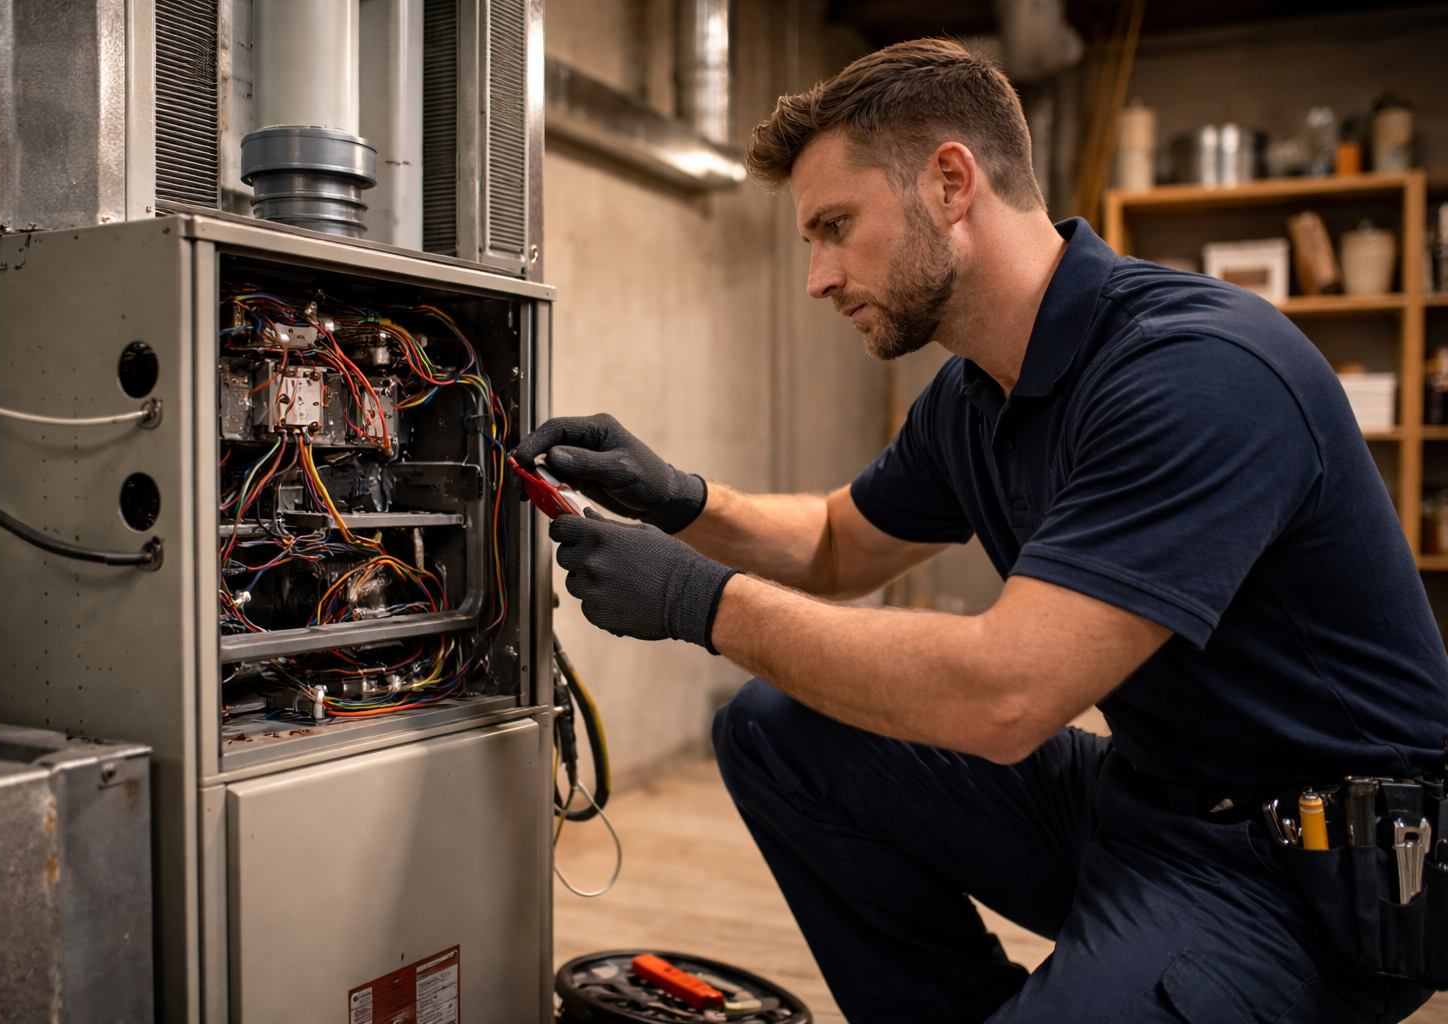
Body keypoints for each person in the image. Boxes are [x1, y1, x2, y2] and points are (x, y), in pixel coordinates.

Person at [514, 38, 1448, 1024]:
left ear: (950, 182)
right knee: (772, 730)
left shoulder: (1195, 372)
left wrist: (701, 602)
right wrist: (681, 499)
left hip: (1315, 873)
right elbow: (840, 540)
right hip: (1148, 804)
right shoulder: (975, 392)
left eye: (836, 226)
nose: (817, 277)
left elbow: (1008, 694)